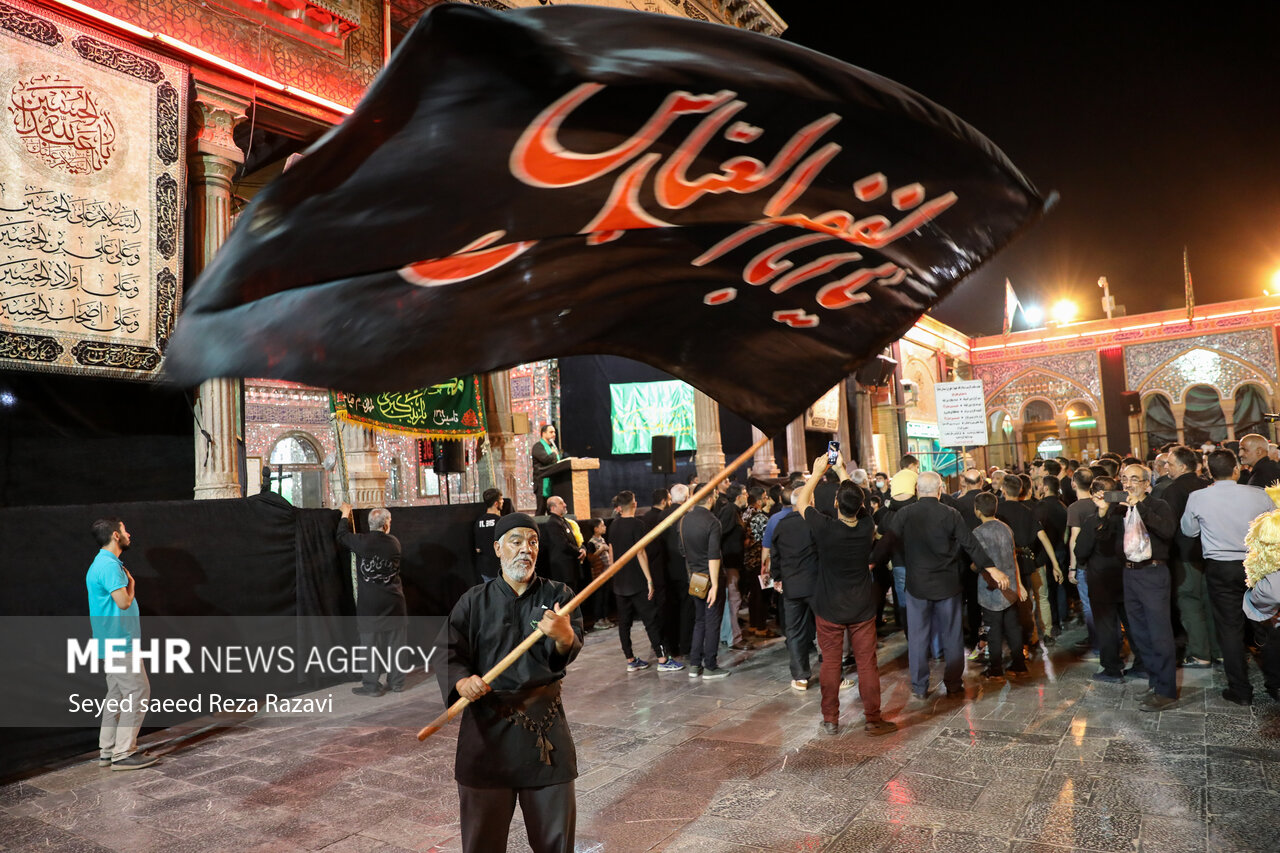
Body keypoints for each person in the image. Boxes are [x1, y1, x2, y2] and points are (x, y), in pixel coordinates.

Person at [440, 513, 583, 853]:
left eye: (532, 542)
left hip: (543, 734)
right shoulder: (473, 601)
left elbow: (570, 645)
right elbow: (448, 652)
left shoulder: (558, 595)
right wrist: (461, 682)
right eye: (516, 542)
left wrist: (563, 637)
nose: (525, 550)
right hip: (486, 734)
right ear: (497, 548)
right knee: (482, 843)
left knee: (556, 843)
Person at [882, 471, 1008, 699]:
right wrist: (991, 568)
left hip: (918, 585)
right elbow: (971, 544)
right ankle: (952, 683)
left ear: (918, 490)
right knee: (952, 636)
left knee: (918, 638)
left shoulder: (905, 514)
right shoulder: (950, 513)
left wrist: (870, 563)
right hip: (947, 585)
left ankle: (920, 687)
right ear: (940, 490)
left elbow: (886, 543)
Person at [797, 454, 897, 736]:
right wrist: (842, 469)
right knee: (867, 664)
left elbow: (801, 503)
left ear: (836, 504)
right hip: (862, 605)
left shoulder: (825, 528)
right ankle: (873, 718)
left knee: (830, 662)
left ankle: (830, 719)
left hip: (829, 605)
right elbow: (858, 502)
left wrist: (816, 474)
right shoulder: (866, 526)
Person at [1180, 448, 1276, 705]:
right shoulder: (1259, 495)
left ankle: (1240, 691)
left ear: (1209, 471)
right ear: (1236, 469)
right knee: (1265, 624)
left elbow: (1188, 531)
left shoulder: (1198, 497)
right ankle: (1276, 685)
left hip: (1220, 567)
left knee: (1229, 629)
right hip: (1255, 565)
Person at [86, 518, 157, 770]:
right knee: (138, 692)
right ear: (116, 535)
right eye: (125, 530)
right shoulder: (108, 566)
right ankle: (124, 753)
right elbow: (123, 602)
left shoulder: (102, 563)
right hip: (119, 644)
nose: (129, 533)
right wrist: (133, 586)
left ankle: (108, 750)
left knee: (116, 696)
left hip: (111, 643)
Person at [1117, 464, 1178, 711]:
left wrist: (1138, 506)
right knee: (1140, 633)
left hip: (1153, 574)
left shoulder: (1158, 505)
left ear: (1145, 483)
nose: (1128, 484)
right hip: (1130, 574)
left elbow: (1167, 531)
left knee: (1159, 633)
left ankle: (1166, 690)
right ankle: (1155, 682)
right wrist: (1102, 513)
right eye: (1124, 479)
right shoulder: (1119, 508)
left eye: (1134, 479)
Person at [608, 491, 682, 672]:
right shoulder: (637, 525)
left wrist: (613, 573)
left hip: (620, 582)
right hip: (637, 581)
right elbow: (640, 552)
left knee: (624, 623)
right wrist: (649, 579)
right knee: (651, 620)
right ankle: (663, 659)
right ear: (633, 504)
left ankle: (630, 659)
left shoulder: (614, 525)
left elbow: (611, 551)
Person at [338, 503, 407, 696]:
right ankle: (397, 683)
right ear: (385, 525)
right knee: (396, 644)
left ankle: (371, 686)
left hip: (371, 604)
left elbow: (341, 536)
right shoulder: (394, 543)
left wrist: (345, 514)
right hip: (394, 602)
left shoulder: (362, 542)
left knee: (369, 646)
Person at [1075, 478, 1138, 682]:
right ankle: (1143, 664)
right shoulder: (1129, 515)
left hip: (1101, 580)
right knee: (1132, 623)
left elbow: (1081, 551)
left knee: (1106, 626)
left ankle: (1112, 668)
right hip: (1128, 577)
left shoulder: (1094, 520)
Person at [1163, 445, 1214, 668]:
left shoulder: (1173, 490)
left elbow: (1170, 527)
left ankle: (1200, 653)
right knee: (1209, 602)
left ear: (1183, 466)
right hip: (1211, 553)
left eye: (1170, 464)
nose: (1166, 467)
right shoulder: (1207, 486)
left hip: (1185, 555)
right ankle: (1218, 649)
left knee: (1189, 602)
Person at [766, 486, 818, 690]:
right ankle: (835, 674)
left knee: (794, 631)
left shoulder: (781, 525)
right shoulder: (815, 522)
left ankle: (800, 676)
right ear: (809, 500)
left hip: (792, 586)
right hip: (815, 584)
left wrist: (777, 577)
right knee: (825, 629)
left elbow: (775, 555)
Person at [971, 492, 1027, 681]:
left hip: (990, 590)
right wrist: (1019, 584)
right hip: (1010, 588)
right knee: (1013, 627)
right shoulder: (1006, 528)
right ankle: (1019, 664)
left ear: (977, 511)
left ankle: (995, 668)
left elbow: (975, 563)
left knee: (992, 630)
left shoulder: (978, 533)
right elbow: (1013, 557)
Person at [680, 487, 730, 678]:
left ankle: (695, 664)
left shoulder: (684, 520)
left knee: (700, 620)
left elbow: (682, 550)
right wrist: (715, 585)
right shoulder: (712, 522)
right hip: (710, 577)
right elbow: (714, 555)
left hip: (694, 577)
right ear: (710, 498)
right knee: (712, 621)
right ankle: (710, 666)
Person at [540, 496, 585, 590]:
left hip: (572, 569)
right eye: (561, 503)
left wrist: (582, 549)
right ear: (552, 508)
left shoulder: (564, 521)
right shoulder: (553, 523)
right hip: (564, 571)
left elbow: (576, 540)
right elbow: (563, 545)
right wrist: (579, 552)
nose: (565, 505)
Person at [531, 424, 563, 515]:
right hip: (542, 483)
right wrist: (554, 454)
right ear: (543, 433)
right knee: (541, 510)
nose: (554, 434)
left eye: (554, 432)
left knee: (552, 512)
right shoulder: (538, 446)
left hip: (553, 483)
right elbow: (546, 459)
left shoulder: (552, 447)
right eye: (551, 432)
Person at [474, 488, 503, 582]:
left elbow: (478, 549)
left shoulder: (478, 522)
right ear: (496, 503)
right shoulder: (501, 522)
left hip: (485, 569)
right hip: (501, 569)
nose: (503, 501)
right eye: (501, 499)